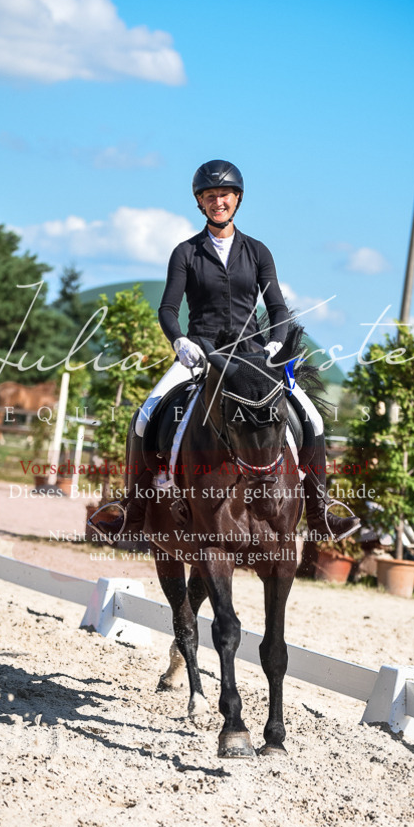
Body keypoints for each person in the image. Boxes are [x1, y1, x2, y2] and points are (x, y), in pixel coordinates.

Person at [90, 159, 359, 544]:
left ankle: (319, 511)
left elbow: (278, 308)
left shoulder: (258, 251)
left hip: (253, 356)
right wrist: (179, 340)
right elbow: (168, 308)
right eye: (210, 196)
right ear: (200, 202)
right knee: (144, 415)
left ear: (238, 199)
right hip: (201, 354)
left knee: (311, 418)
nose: (219, 202)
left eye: (225, 195)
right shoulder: (186, 252)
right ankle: (133, 513)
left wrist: (273, 344)